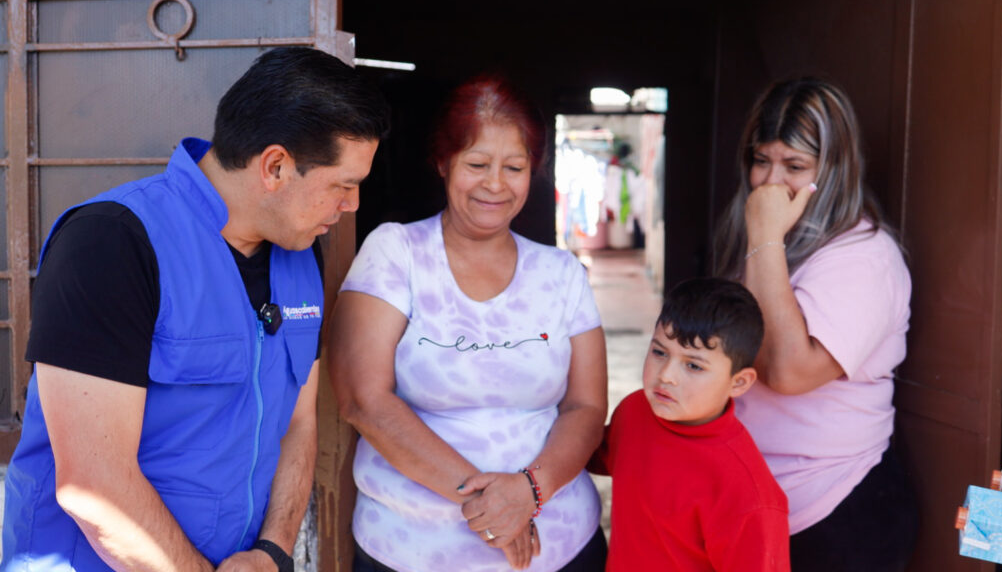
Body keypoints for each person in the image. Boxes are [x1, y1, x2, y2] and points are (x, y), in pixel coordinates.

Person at [1, 47, 390, 572]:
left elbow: (298, 422)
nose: (352, 206)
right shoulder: (111, 242)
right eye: (343, 185)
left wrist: (273, 552)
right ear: (275, 166)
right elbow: (95, 485)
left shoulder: (300, 256)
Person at [329, 74, 608, 572]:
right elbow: (363, 400)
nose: (495, 184)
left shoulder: (562, 273)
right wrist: (493, 505)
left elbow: (586, 407)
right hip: (411, 550)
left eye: (514, 167)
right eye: (477, 164)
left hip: (561, 546)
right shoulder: (396, 253)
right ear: (443, 162)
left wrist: (530, 491)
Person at [714, 77, 917, 570]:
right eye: (761, 160)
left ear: (835, 170)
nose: (770, 184)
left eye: (795, 166)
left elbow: (787, 372)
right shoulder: (770, 246)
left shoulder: (864, 257)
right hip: (760, 509)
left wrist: (764, 236)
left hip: (836, 510)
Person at [589, 277, 789, 571]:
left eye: (693, 365)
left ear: (738, 382)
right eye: (659, 352)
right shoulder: (634, 411)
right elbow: (591, 455)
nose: (666, 375)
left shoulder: (746, 495)